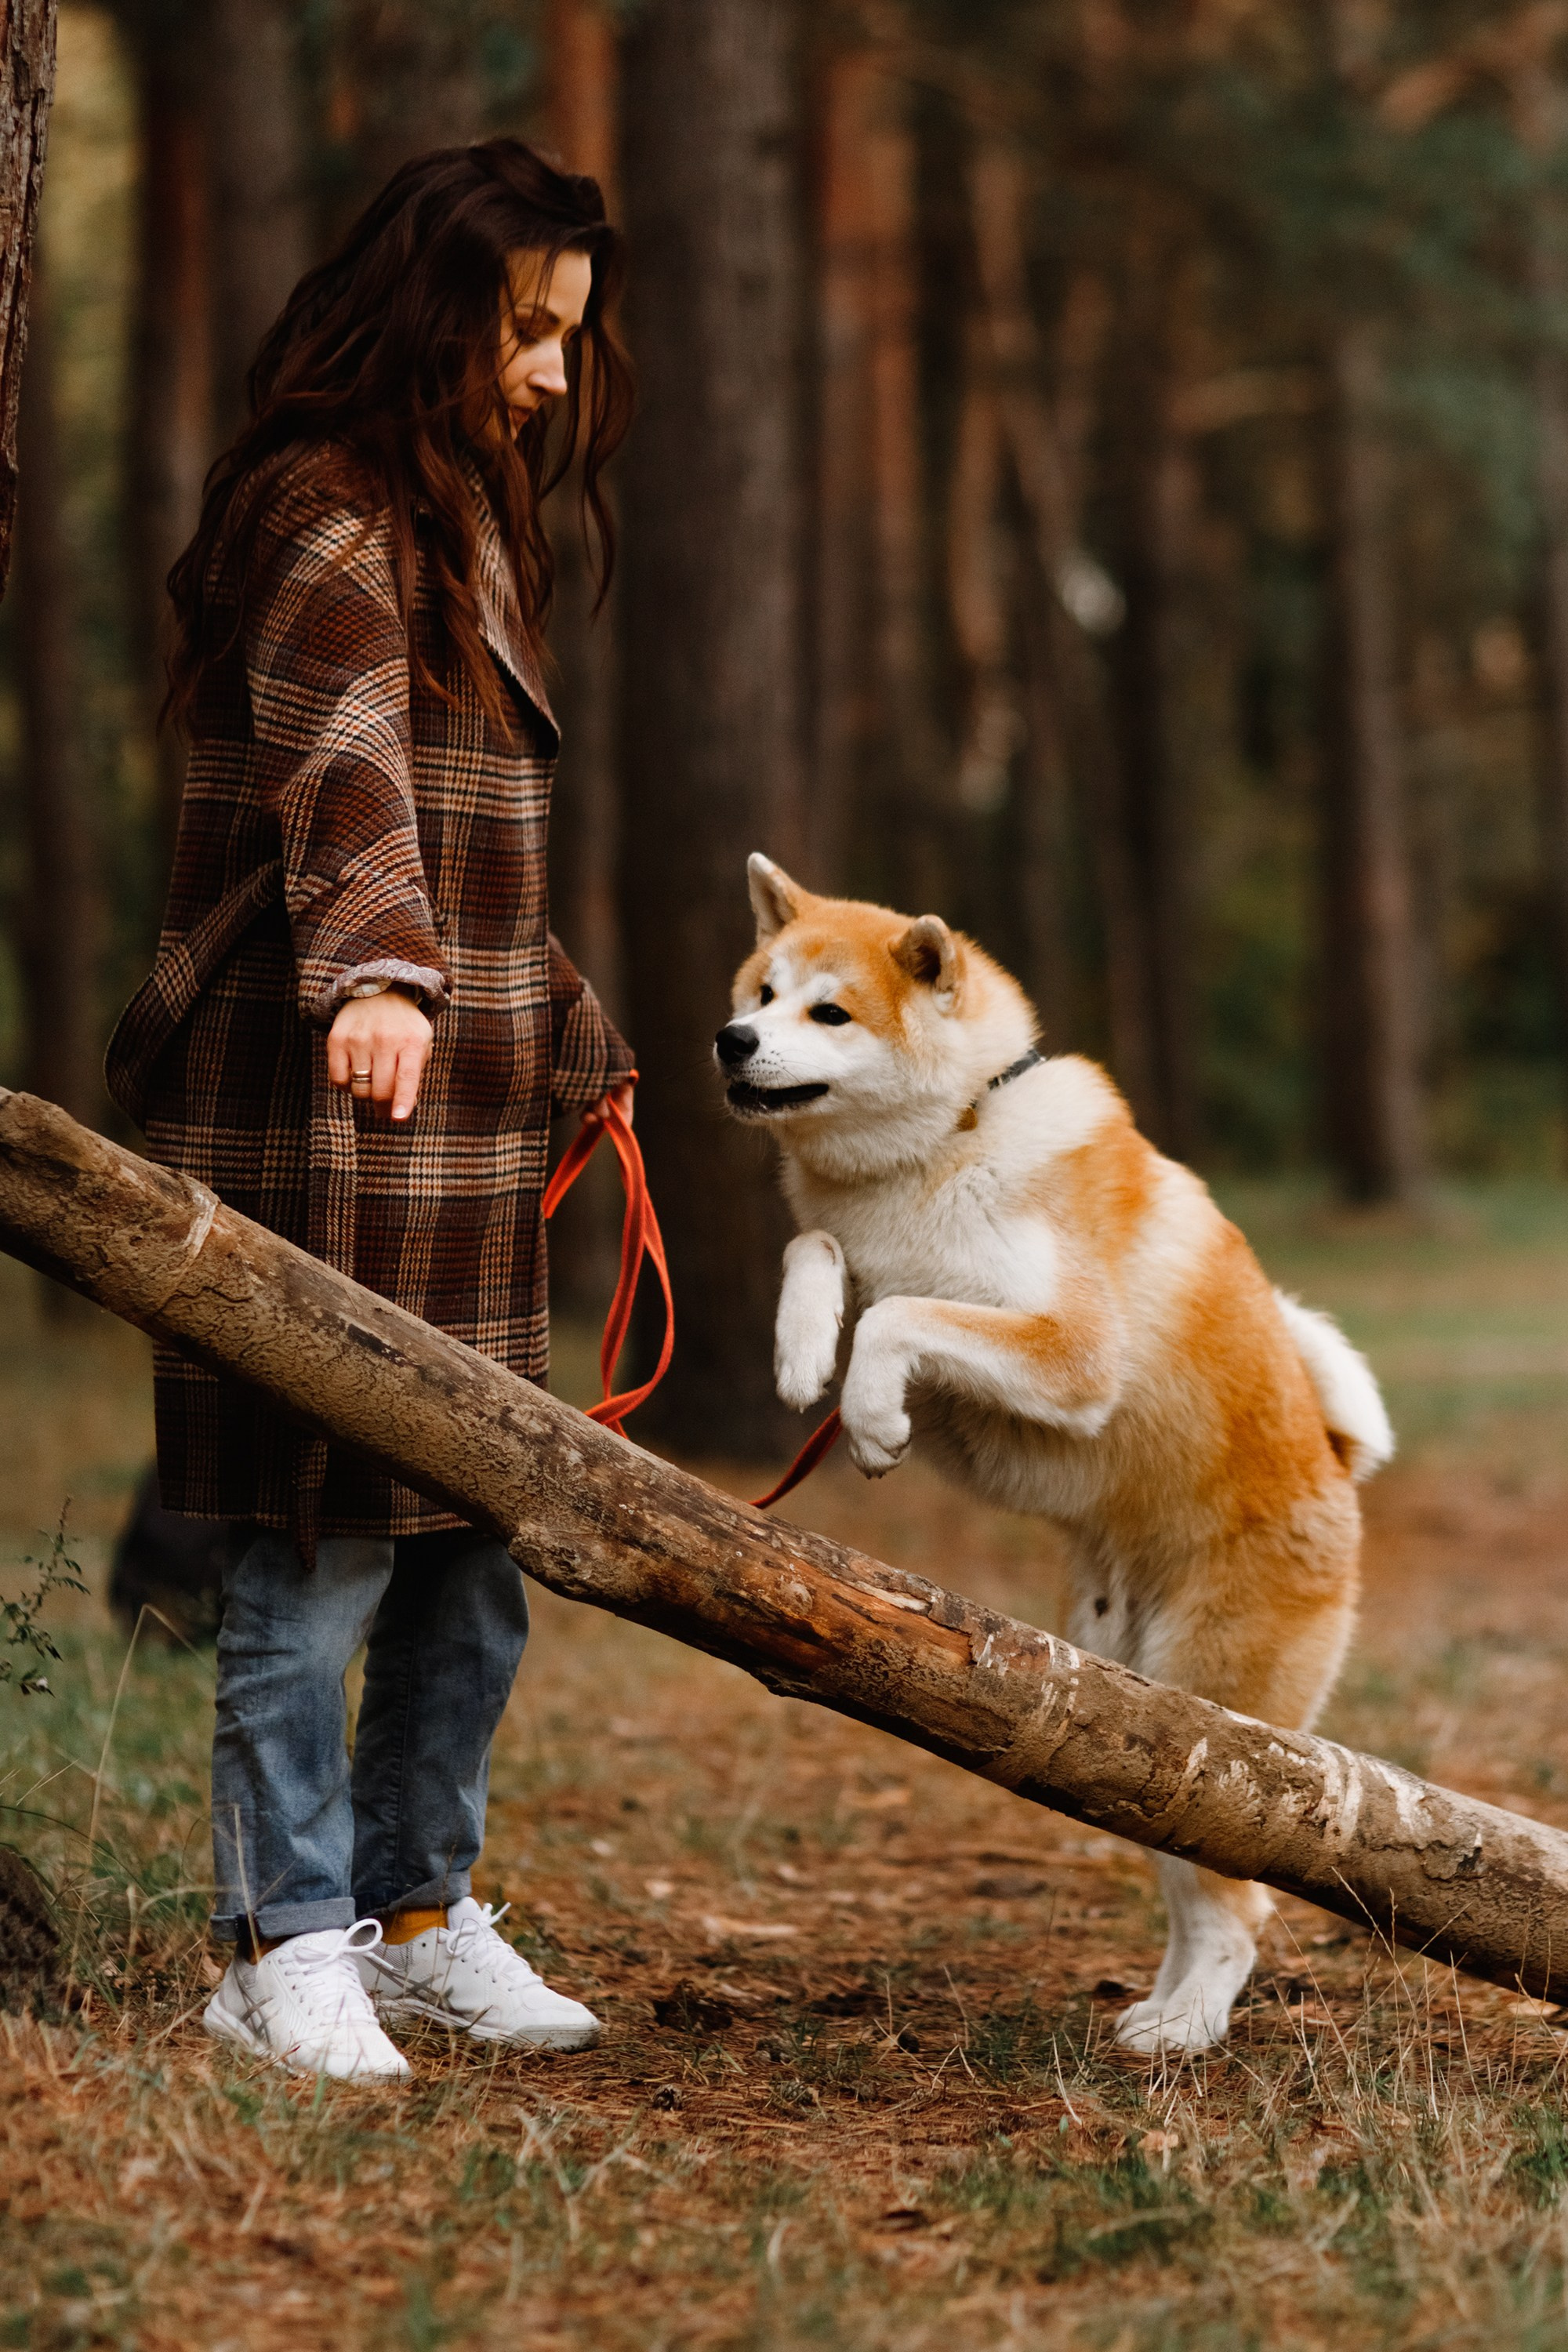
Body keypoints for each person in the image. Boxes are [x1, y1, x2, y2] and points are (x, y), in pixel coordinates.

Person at [106, 140, 635, 2082]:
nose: (555, 377)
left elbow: (473, 824)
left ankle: (419, 1915)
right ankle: (277, 1942)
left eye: (570, 339)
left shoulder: (463, 520)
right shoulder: (324, 511)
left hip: (457, 1113)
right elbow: (346, 773)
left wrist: (561, 1015)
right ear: (435, 316)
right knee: (313, 1538)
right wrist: (386, 972)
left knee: (466, 1541)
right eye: (528, 333)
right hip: (321, 1092)